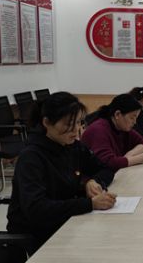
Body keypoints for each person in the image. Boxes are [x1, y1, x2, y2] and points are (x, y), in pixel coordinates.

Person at [7, 92, 116, 252]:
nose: (76, 130)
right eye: (68, 124)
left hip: (66, 223)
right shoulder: (31, 157)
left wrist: (93, 181)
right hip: (37, 237)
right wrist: (90, 204)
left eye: (78, 122)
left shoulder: (73, 146)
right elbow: (37, 210)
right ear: (47, 122)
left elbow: (106, 168)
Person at [81, 94, 143, 171]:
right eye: (132, 117)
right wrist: (141, 158)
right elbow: (109, 163)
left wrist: (129, 155)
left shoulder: (122, 126)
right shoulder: (98, 130)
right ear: (117, 114)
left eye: (136, 118)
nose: (135, 122)